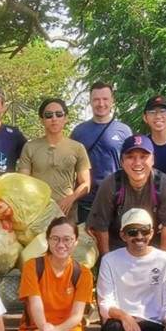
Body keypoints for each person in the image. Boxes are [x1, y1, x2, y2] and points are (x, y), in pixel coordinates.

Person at [96, 209, 166, 331]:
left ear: (153, 232)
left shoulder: (165, 259)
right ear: (123, 235)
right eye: (133, 231)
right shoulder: (110, 260)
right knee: (113, 330)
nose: (139, 237)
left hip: (153, 322)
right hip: (121, 322)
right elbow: (105, 302)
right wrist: (125, 317)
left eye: (145, 231)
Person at [18, 216, 94, 331]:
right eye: (55, 238)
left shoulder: (83, 273)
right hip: (37, 328)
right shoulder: (33, 266)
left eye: (67, 239)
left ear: (75, 242)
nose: (61, 244)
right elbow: (35, 306)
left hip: (67, 329)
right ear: (48, 240)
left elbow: (77, 316)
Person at [87, 134, 166, 254]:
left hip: (154, 245)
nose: (137, 163)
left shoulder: (164, 184)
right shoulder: (111, 184)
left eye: (143, 157)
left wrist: (162, 260)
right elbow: (100, 227)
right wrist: (107, 261)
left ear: (153, 160)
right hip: (118, 245)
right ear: (121, 161)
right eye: (130, 157)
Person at [17, 98, 91, 218]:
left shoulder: (77, 148)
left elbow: (86, 184)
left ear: (66, 118)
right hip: (37, 212)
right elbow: (23, 181)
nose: (54, 118)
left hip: (66, 213)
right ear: (42, 120)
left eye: (59, 114)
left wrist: (70, 199)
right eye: (48, 115)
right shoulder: (30, 147)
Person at [71, 82, 132, 224]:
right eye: (96, 99)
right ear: (90, 102)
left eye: (105, 99)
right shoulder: (79, 131)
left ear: (112, 101)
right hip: (86, 202)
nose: (101, 103)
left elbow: (131, 165)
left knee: (116, 245)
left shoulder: (124, 131)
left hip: (117, 200)